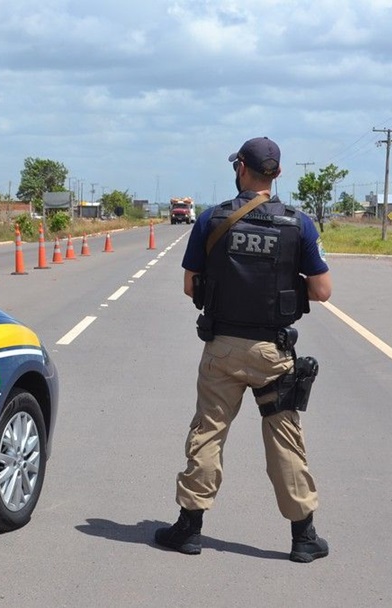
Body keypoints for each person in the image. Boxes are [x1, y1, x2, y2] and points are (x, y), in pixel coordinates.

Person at [154, 136, 333, 563]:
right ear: (278, 174)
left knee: (208, 433)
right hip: (274, 351)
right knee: (285, 438)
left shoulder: (211, 219)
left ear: (240, 169)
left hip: (222, 349)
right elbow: (323, 290)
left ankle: (190, 530)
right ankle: (303, 537)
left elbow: (188, 285)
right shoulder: (299, 224)